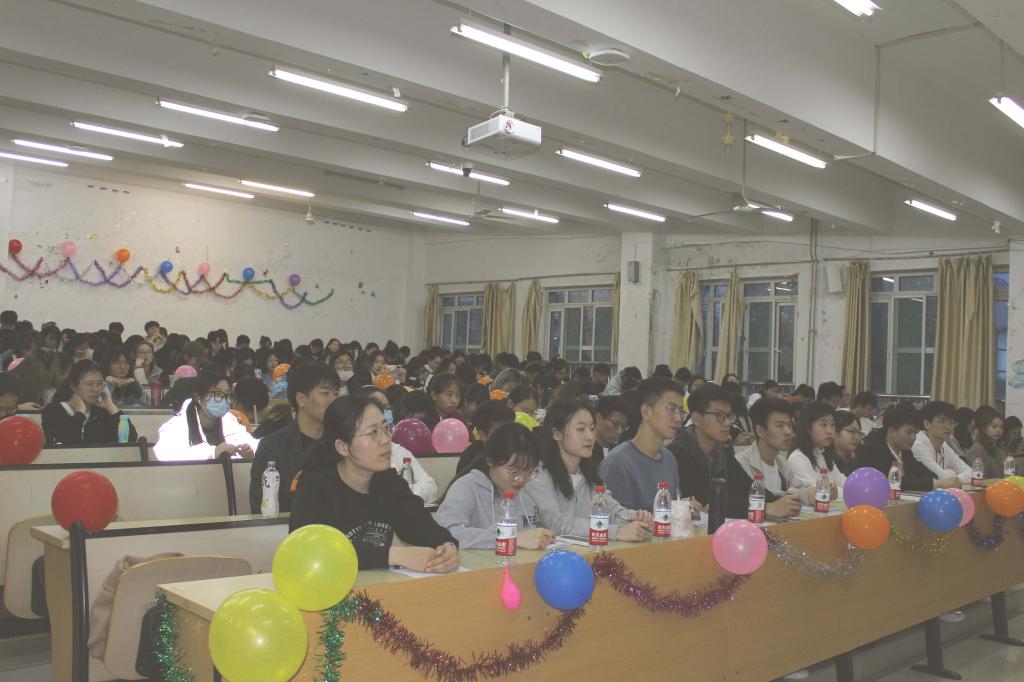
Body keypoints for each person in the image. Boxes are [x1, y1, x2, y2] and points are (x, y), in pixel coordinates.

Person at [289, 395, 459, 572]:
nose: (385, 440)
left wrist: (447, 547)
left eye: (386, 428)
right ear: (342, 447)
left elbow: (422, 525)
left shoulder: (388, 482)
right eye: (373, 433)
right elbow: (316, 551)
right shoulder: (315, 488)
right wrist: (394, 555)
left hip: (375, 585)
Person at [527, 400, 652, 541]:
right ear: (557, 434)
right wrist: (615, 532)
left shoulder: (589, 477)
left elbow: (612, 510)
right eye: (581, 429)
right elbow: (556, 525)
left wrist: (634, 518)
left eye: (592, 429)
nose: (590, 437)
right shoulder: (538, 477)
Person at [436, 422, 553, 549]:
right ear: (490, 461)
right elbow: (446, 533)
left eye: (529, 471)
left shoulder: (528, 489)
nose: (520, 480)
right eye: (513, 471)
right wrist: (510, 537)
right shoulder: (466, 488)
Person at [248, 364, 339, 513]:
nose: (333, 400)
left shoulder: (341, 443)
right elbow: (261, 506)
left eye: (336, 393)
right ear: (301, 399)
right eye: (325, 393)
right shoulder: (272, 446)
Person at [599, 377, 683, 511]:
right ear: (646, 412)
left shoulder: (669, 460)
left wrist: (683, 508)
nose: (678, 418)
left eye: (681, 411)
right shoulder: (618, 464)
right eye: (671, 409)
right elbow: (615, 519)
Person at [153, 365, 259, 461]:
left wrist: (249, 451)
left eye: (227, 395)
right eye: (217, 394)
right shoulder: (176, 425)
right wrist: (213, 452)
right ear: (198, 396)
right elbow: (165, 454)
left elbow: (254, 444)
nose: (223, 399)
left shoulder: (229, 420)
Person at [355, 386, 438, 504]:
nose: (385, 412)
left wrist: (405, 493)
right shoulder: (358, 456)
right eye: (378, 407)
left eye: (387, 408)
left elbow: (431, 487)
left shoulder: (399, 450)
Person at [854, 403, 958, 492]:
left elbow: (929, 475)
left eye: (915, 433)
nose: (913, 437)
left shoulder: (905, 451)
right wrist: (935, 484)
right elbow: (889, 483)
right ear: (891, 432)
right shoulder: (870, 451)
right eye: (909, 432)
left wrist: (928, 482)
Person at [669, 384, 738, 511]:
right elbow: (702, 503)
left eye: (729, 416)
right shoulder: (677, 453)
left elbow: (744, 486)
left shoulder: (723, 449)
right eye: (720, 416)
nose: (728, 423)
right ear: (697, 419)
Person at [732, 397, 803, 517]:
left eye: (790, 425)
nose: (788, 432)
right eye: (780, 425)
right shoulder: (741, 463)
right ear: (760, 431)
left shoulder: (781, 462)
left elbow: (799, 489)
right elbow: (749, 500)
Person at [41, 359, 138, 445]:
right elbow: (64, 444)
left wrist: (111, 407)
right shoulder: (53, 410)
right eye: (89, 384)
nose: (95, 389)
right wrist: (79, 415)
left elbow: (130, 440)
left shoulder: (103, 412)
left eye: (100, 383)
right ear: (73, 386)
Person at [786, 401, 845, 501]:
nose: (830, 431)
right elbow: (817, 493)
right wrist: (846, 493)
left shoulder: (823, 454)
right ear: (808, 428)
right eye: (823, 425)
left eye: (832, 425)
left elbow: (843, 483)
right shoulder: (798, 458)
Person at [911, 401, 970, 486]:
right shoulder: (918, 445)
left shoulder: (944, 445)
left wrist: (953, 478)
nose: (948, 426)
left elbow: (971, 473)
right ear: (927, 424)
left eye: (951, 422)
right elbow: (941, 478)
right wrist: (951, 476)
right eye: (942, 421)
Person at [456, 400, 516, 477]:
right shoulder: (471, 461)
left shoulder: (517, 453)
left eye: (510, 430)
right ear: (483, 435)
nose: (507, 436)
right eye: (500, 432)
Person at [965, 407, 1008, 479]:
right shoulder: (977, 450)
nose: (998, 430)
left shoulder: (999, 450)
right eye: (994, 426)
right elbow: (980, 479)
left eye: (1001, 427)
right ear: (984, 428)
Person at [593, 395, 630, 466]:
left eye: (623, 426)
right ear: (599, 418)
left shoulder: (620, 453)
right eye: (615, 424)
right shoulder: (584, 453)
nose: (619, 431)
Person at [832, 410, 862, 476]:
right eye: (851, 431)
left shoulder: (856, 461)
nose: (857, 437)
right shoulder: (828, 463)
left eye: (859, 433)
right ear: (834, 431)